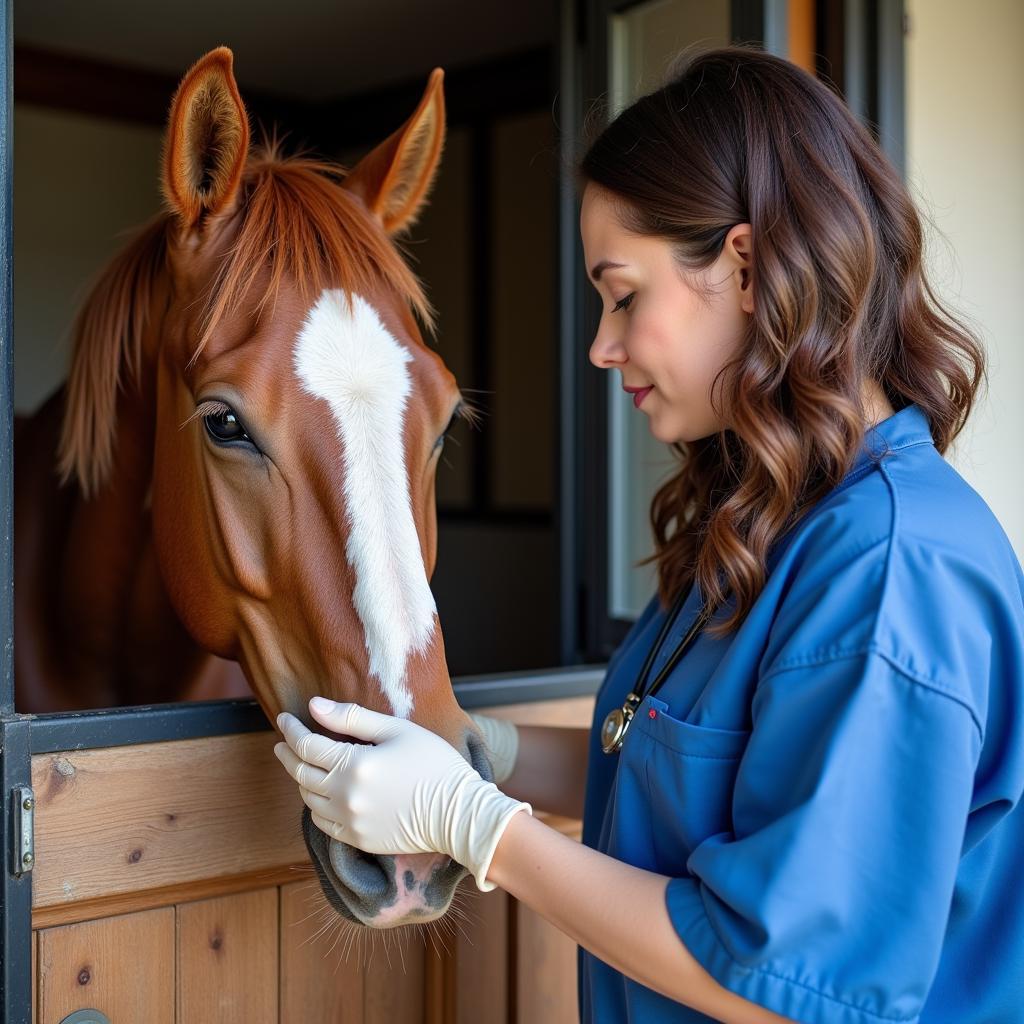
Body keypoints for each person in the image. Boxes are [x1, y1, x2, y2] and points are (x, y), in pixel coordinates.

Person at [275, 44, 1024, 1023]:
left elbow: (789, 990)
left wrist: (477, 826)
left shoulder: (888, 568)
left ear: (747, 268)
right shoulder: (765, 518)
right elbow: (685, 775)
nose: (598, 343)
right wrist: (480, 748)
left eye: (623, 294)